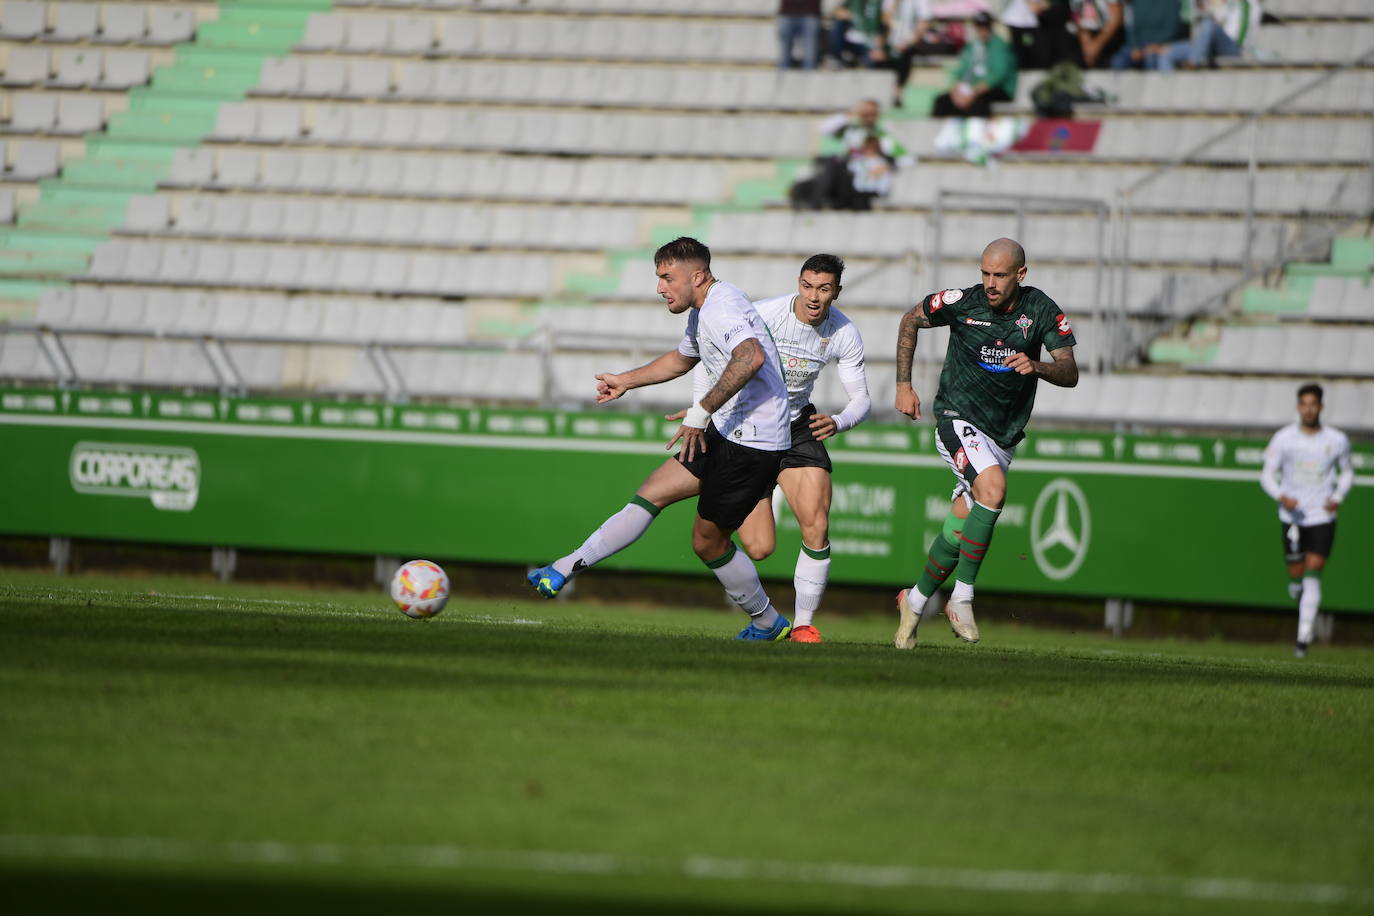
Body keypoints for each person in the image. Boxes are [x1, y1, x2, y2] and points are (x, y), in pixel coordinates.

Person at [527, 237, 797, 641]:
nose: (659, 287)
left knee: (707, 543)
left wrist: (700, 412)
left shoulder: (721, 307)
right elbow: (682, 359)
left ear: (698, 275)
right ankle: (563, 568)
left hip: (752, 444)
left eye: (667, 277)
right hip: (728, 430)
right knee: (652, 491)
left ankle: (767, 622)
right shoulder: (704, 309)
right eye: (658, 278)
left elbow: (751, 357)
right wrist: (626, 381)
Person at [892, 238, 1079, 648]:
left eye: (999, 275)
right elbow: (910, 320)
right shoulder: (963, 302)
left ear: (1020, 275)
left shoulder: (1041, 310)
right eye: (985, 273)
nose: (990, 283)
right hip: (958, 419)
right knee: (993, 491)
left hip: (1002, 436)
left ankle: (916, 599)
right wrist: (904, 385)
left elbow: (1070, 371)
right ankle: (962, 598)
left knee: (960, 528)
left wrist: (1038, 366)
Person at [674, 254, 870, 643]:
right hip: (751, 428)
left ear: (836, 292)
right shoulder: (765, 314)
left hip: (798, 428)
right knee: (760, 547)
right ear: (799, 284)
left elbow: (861, 398)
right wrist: (702, 411)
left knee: (816, 523)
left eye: (824, 288)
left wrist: (840, 420)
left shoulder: (844, 332)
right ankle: (765, 618)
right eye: (808, 286)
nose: (814, 296)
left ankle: (803, 626)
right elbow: (707, 358)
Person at [1260, 383, 1353, 658]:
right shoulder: (1284, 438)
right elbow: (1266, 475)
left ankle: (1302, 640)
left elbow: (1347, 472)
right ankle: (1297, 590)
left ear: (1321, 407)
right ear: (1298, 406)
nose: (1308, 409)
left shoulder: (1337, 440)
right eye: (1304, 404)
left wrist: (1338, 495)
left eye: (1313, 404)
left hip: (1322, 515)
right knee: (1297, 574)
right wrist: (1281, 496)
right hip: (1293, 517)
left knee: (1314, 571)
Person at [791, 99, 911, 210]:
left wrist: (886, 167)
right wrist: (851, 114)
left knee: (831, 167)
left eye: (872, 114)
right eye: (865, 114)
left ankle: (818, 204)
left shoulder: (884, 138)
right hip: (845, 175)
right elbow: (824, 128)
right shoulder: (851, 131)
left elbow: (907, 159)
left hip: (864, 179)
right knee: (824, 169)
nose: (868, 118)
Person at [931, 12, 1019, 119]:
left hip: (996, 90)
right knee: (942, 101)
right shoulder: (971, 46)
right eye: (979, 27)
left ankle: (977, 133)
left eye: (985, 27)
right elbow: (961, 70)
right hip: (971, 88)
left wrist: (974, 92)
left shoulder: (1000, 46)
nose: (982, 30)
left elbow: (998, 74)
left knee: (978, 104)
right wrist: (956, 90)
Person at [1155, 0, 1259, 71]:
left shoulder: (1247, 3)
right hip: (1213, 45)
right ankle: (1172, 90)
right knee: (1166, 53)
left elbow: (1239, 33)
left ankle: (1193, 63)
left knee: (1208, 24)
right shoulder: (1226, 5)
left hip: (1234, 47)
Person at [829, 0, 886, 68]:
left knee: (872, 61)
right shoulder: (854, 2)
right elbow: (837, 11)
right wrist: (851, 15)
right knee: (838, 24)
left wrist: (879, 48)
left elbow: (884, 25)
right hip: (853, 40)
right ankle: (838, 59)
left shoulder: (879, 3)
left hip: (870, 43)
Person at [1069, 0, 1124, 69]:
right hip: (1082, 39)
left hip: (1107, 39)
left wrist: (1096, 45)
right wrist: (1087, 46)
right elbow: (1076, 17)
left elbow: (1116, 18)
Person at [779, 0, 823, 70]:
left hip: (810, 13)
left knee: (809, 50)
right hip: (787, 12)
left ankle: (809, 73)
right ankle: (783, 72)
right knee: (785, 51)